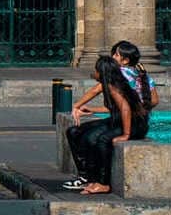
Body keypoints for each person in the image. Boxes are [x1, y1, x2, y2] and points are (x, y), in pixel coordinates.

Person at [63, 55, 149, 195]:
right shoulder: (107, 82)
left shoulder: (114, 86)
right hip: (118, 120)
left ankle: (103, 183)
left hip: (135, 125)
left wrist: (126, 134)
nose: (94, 73)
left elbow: (125, 108)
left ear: (102, 72)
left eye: (96, 70)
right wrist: (79, 107)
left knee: (98, 139)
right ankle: (87, 177)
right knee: (74, 131)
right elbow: (94, 92)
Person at [112, 39, 159, 110]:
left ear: (125, 60)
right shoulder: (144, 74)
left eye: (116, 55)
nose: (113, 57)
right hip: (142, 116)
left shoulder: (119, 73)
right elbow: (155, 101)